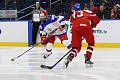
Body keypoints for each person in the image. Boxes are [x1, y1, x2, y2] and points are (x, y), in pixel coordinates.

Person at [64, 3, 100, 68]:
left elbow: (72, 28)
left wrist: (76, 39)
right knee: (91, 43)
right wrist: (92, 26)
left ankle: (70, 57)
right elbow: (97, 20)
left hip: (75, 28)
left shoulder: (72, 16)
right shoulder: (86, 11)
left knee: (76, 48)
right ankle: (87, 58)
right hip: (85, 26)